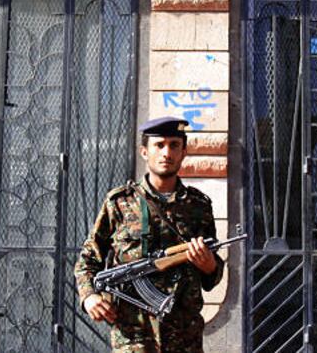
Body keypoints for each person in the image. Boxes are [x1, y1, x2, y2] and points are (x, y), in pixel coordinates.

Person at [75, 116, 224, 353]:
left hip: (185, 339)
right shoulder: (120, 202)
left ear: (184, 152)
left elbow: (212, 277)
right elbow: (88, 259)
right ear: (145, 152)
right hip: (133, 337)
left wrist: (209, 266)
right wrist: (89, 297)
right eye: (159, 145)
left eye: (174, 145)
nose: (167, 153)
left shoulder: (199, 206)